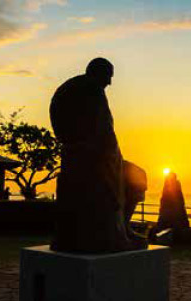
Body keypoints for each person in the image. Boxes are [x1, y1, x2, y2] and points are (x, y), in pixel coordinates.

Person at [49, 57, 145, 252]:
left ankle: (122, 227)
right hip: (94, 158)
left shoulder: (75, 87)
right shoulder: (90, 90)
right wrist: (110, 158)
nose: (110, 82)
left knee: (134, 175)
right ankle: (119, 231)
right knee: (137, 177)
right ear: (97, 73)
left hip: (92, 155)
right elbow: (103, 133)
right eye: (108, 76)